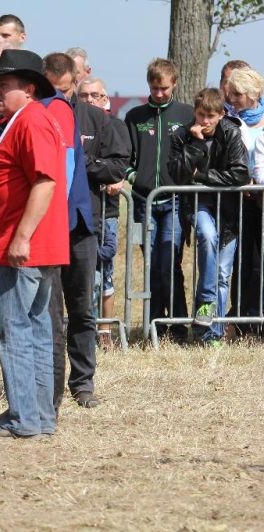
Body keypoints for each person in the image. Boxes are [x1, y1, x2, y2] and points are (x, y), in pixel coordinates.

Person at [0, 49, 67, 439]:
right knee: (33, 329)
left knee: (13, 330)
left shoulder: (30, 121)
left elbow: (45, 180)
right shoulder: (26, 120)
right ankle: (38, 417)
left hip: (24, 246)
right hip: (34, 245)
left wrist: (22, 236)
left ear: (29, 89)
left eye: (4, 85)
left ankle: (24, 418)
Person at [43, 52, 130, 408]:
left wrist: (83, 162)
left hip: (83, 226)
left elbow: (117, 167)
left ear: (77, 80)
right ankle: (48, 387)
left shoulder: (97, 119)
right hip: (47, 227)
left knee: (81, 308)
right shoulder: (41, 117)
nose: (62, 92)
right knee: (48, 313)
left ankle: (83, 383)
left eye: (67, 85)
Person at [168, 88, 248, 345]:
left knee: (223, 273)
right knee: (206, 234)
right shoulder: (183, 135)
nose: (205, 121)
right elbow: (177, 175)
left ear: (221, 114)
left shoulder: (232, 133)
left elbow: (240, 174)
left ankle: (211, 333)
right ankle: (206, 303)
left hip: (228, 210)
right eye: (201, 115)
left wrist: (202, 177)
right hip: (199, 203)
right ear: (195, 112)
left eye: (211, 116)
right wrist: (196, 144)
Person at [125, 58, 193, 343]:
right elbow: (127, 157)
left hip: (174, 201)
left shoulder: (187, 115)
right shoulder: (135, 116)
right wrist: (133, 176)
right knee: (152, 263)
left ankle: (177, 325)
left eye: (164, 88)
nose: (159, 93)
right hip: (144, 200)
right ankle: (153, 324)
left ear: (174, 84)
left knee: (170, 261)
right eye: (154, 88)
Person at [77, 76, 133, 348]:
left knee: (104, 272)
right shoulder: (73, 123)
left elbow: (118, 166)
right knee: (84, 276)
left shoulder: (115, 125)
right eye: (84, 95)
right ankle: (84, 327)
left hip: (107, 211)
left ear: (104, 98)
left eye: (94, 95)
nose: (89, 100)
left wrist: (113, 177)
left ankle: (105, 331)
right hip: (80, 210)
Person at [225, 67, 264, 330]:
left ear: (252, 94)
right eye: (231, 95)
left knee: (260, 261)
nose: (233, 100)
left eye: (237, 95)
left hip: (262, 198)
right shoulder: (230, 122)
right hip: (239, 200)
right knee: (241, 261)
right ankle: (241, 319)